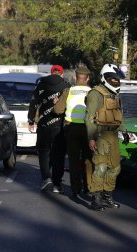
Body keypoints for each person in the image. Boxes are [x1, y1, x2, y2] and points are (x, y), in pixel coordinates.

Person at [84, 64, 128, 211]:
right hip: (100, 135)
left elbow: (119, 115)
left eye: (117, 79)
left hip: (113, 136)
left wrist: (125, 131)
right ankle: (96, 199)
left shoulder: (115, 95)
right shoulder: (95, 94)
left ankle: (107, 196)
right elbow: (89, 118)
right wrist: (91, 138)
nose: (116, 81)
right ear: (105, 78)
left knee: (115, 168)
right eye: (113, 79)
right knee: (101, 167)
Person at [28, 65, 71, 192]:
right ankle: (57, 183)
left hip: (43, 125)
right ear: (61, 74)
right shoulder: (66, 86)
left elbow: (33, 103)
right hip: (60, 126)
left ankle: (46, 179)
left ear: (51, 73)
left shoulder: (41, 84)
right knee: (59, 155)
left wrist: (31, 120)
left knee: (43, 152)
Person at [54, 66, 92, 197]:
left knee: (74, 159)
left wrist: (56, 103)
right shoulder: (92, 92)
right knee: (88, 158)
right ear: (88, 79)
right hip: (88, 129)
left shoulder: (68, 91)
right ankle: (89, 187)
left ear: (76, 78)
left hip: (71, 128)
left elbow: (58, 110)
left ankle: (76, 189)